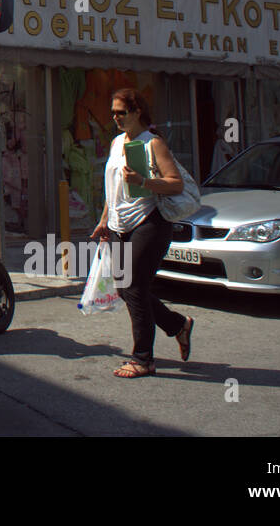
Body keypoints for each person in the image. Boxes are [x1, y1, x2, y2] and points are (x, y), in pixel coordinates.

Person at [91, 88, 195, 378]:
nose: (115, 117)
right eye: (113, 112)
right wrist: (104, 220)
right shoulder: (115, 143)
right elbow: (113, 189)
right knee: (125, 289)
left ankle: (143, 359)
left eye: (121, 112)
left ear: (137, 112)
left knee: (134, 287)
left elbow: (175, 184)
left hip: (149, 222)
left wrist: (144, 181)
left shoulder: (153, 143)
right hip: (119, 225)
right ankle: (177, 325)